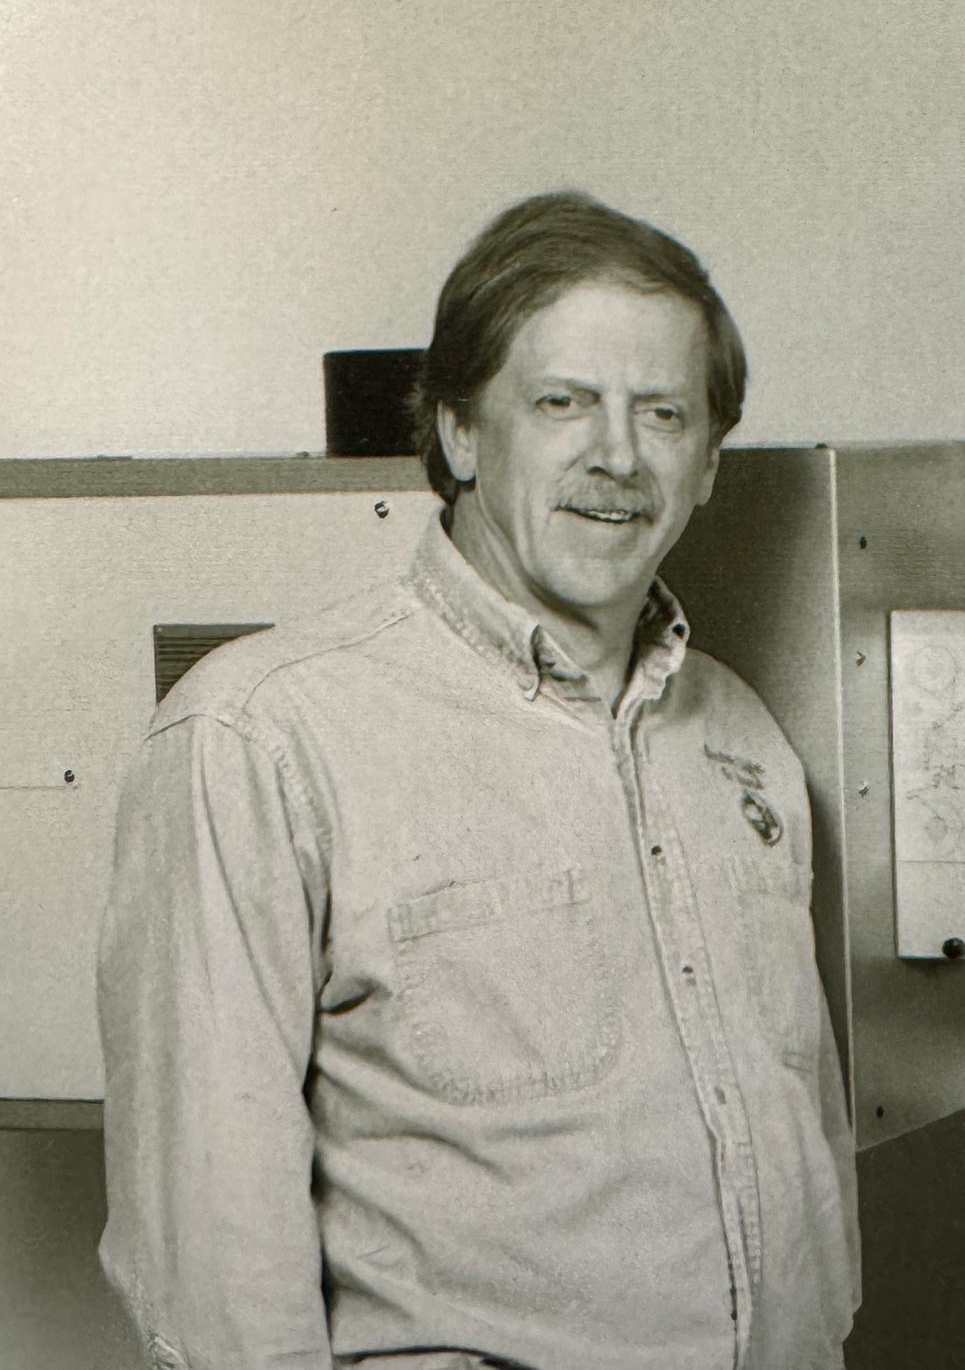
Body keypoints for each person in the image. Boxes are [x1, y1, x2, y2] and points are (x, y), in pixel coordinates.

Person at [97, 192, 860, 1369]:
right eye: (562, 403)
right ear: (458, 431)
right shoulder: (262, 736)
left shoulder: (740, 738)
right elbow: (213, 1267)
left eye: (663, 412)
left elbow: (799, 1141)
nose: (617, 454)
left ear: (709, 461)